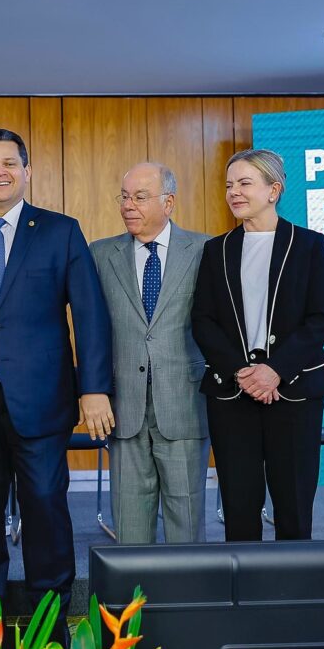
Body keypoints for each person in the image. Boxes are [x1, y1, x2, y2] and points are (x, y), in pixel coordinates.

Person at [0, 128, 112, 634]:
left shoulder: (60, 231)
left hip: (41, 399)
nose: (0, 172)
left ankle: (49, 630)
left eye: (9, 163)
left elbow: (90, 315)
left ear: (27, 171)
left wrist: (93, 388)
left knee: (45, 510)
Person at [192, 148, 324, 542]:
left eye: (245, 183)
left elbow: (319, 320)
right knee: (239, 508)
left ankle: (295, 582)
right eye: (229, 185)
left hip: (294, 393)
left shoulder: (309, 245)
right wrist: (242, 372)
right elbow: (203, 320)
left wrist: (274, 370)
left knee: (294, 509)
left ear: (273, 190)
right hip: (232, 393)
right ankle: (246, 582)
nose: (234, 192)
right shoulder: (216, 250)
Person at [90, 162, 210, 544]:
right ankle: (133, 588)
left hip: (184, 403)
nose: (128, 205)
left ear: (168, 202)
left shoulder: (205, 250)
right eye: (124, 197)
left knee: (186, 524)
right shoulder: (100, 254)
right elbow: (91, 329)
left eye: (140, 197)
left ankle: (184, 586)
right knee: (129, 528)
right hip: (124, 406)